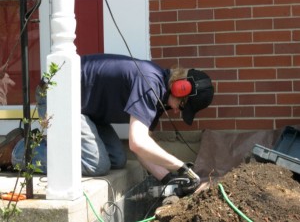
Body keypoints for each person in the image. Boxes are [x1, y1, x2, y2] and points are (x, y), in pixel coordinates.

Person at [0, 53, 214, 196]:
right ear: (180, 87)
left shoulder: (160, 97)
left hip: (85, 110)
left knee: (117, 158)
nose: (177, 111)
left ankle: (47, 144)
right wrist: (181, 167)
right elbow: (138, 143)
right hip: (58, 96)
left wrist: (170, 180)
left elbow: (142, 148)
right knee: (96, 164)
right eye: (182, 104)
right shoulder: (150, 83)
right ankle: (16, 150)